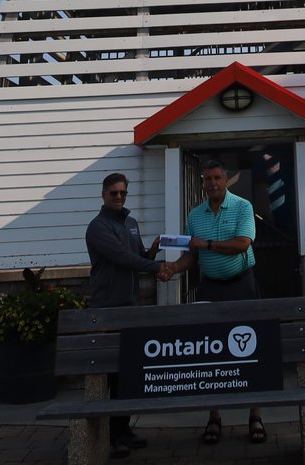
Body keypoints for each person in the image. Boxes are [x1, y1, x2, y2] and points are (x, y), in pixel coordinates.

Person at [169, 160, 265, 446]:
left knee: (251, 350)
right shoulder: (194, 215)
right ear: (202, 183)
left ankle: (255, 416)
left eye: (216, 178)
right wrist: (172, 269)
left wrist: (207, 244)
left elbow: (243, 243)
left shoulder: (242, 207)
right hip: (210, 286)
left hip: (242, 284)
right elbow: (190, 256)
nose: (212, 183)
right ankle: (214, 416)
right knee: (209, 352)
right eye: (207, 179)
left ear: (226, 180)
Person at [86, 171, 172, 458]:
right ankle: (109, 436)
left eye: (123, 193)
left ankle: (122, 430)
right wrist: (157, 267)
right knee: (110, 375)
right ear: (103, 195)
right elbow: (122, 259)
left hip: (129, 307)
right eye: (114, 193)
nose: (119, 197)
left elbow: (138, 257)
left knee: (127, 374)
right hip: (106, 309)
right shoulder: (97, 227)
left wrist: (153, 252)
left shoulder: (131, 224)